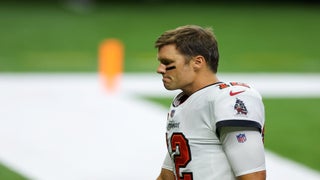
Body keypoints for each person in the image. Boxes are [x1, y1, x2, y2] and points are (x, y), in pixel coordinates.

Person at [155, 25, 266, 180]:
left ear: (198, 62)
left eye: (167, 62)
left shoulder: (227, 99)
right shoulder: (183, 103)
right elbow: (167, 176)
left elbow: (254, 177)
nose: (160, 69)